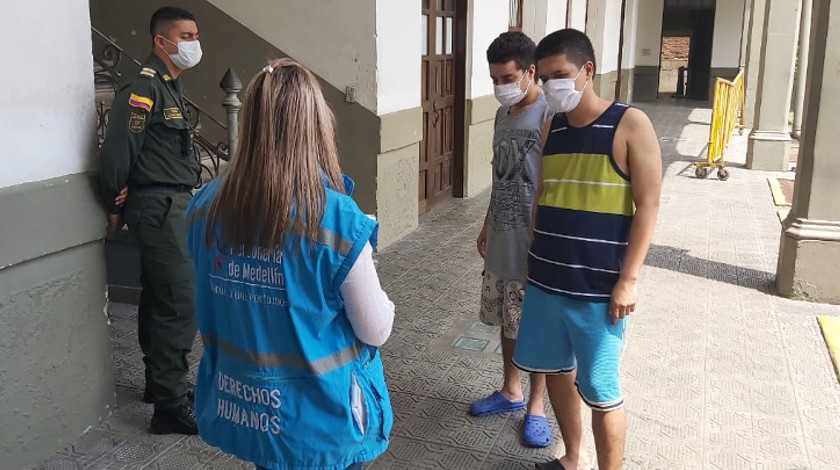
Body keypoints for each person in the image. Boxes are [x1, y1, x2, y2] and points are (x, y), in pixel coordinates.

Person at [185, 58, 395, 470]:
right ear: (317, 125)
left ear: (250, 122)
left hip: (250, 411)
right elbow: (376, 328)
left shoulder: (203, 206)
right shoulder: (338, 219)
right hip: (324, 420)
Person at [512, 29, 662, 470]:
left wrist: (628, 280)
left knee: (601, 390)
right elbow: (543, 196)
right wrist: (531, 262)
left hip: (599, 292)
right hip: (545, 281)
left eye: (562, 75)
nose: (553, 84)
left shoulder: (629, 124)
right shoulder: (550, 126)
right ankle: (572, 458)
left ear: (587, 71)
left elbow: (649, 206)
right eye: (546, 76)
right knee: (557, 372)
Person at [99, 6, 204, 435]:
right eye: (185, 35)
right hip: (157, 206)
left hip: (171, 205)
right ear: (162, 42)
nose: (194, 43)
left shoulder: (170, 88)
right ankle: (170, 407)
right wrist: (114, 200)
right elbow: (117, 152)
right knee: (180, 300)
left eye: (196, 34)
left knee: (160, 298)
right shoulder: (143, 89)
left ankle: (160, 385)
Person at [470, 32, 554, 448]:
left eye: (506, 77)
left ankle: (536, 406)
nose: (500, 86)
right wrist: (487, 222)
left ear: (529, 72)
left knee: (534, 324)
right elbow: (499, 174)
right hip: (502, 234)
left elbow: (551, 183)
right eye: (493, 78)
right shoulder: (503, 115)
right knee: (507, 317)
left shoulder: (549, 114)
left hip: (533, 242)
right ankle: (510, 391)